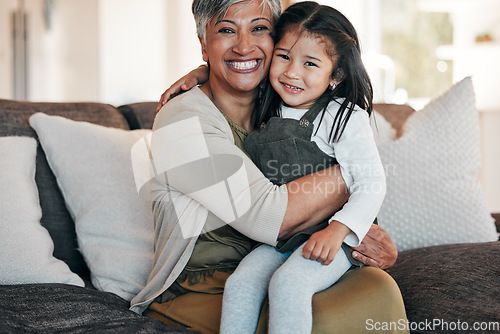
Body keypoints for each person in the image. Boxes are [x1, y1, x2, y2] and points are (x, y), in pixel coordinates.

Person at [132, 1, 407, 333]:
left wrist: (359, 232)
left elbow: (264, 63)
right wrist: (355, 185)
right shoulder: (181, 122)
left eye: (259, 29)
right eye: (225, 30)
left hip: (284, 256)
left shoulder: (279, 98)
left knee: (377, 288)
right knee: (320, 316)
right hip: (199, 287)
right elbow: (271, 216)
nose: (245, 45)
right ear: (203, 44)